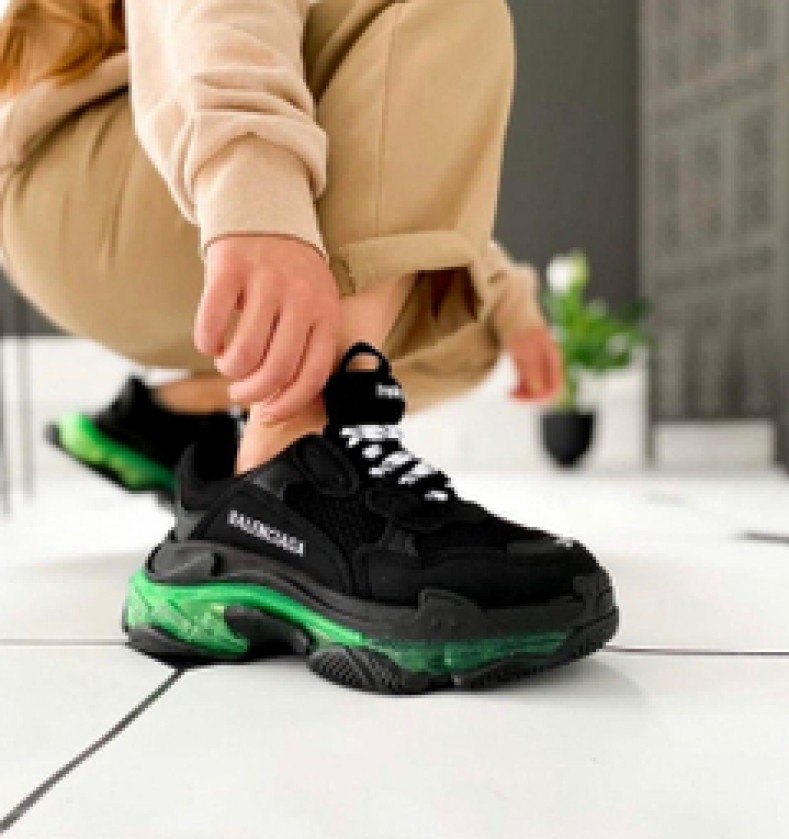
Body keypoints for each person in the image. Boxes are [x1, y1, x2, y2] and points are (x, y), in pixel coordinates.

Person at [0, 0, 618, 693]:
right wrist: (252, 189)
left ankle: (200, 435)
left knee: (462, 326)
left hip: (106, 213)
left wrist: (508, 302)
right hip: (87, 168)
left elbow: (391, 145)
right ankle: (296, 459)